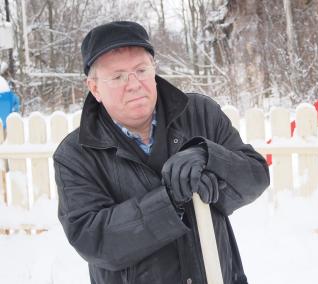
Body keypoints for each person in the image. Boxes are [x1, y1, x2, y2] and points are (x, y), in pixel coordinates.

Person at [53, 21, 269, 284]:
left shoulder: (200, 114)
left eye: (141, 70)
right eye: (118, 76)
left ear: (154, 70)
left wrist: (209, 156)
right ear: (95, 87)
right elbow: (94, 239)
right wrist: (168, 201)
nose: (133, 84)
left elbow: (255, 176)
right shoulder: (76, 155)